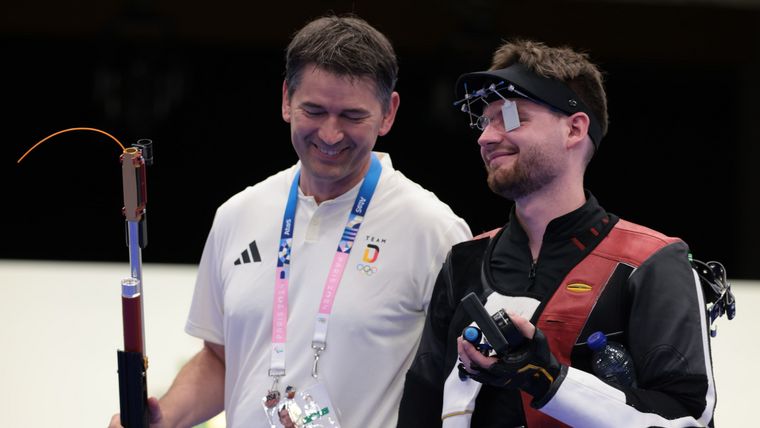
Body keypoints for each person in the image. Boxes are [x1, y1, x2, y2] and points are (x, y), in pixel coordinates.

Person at [109, 14, 471, 428]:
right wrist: (165, 417)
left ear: (388, 113)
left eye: (352, 116)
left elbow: (460, 386)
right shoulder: (238, 215)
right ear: (286, 99)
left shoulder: (433, 230)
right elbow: (221, 358)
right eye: (313, 110)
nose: (330, 135)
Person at [397, 39, 718, 427]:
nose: (485, 137)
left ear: (574, 129)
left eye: (512, 117)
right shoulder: (463, 261)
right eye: (485, 119)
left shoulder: (650, 262)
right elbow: (421, 410)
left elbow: (690, 418)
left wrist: (551, 381)